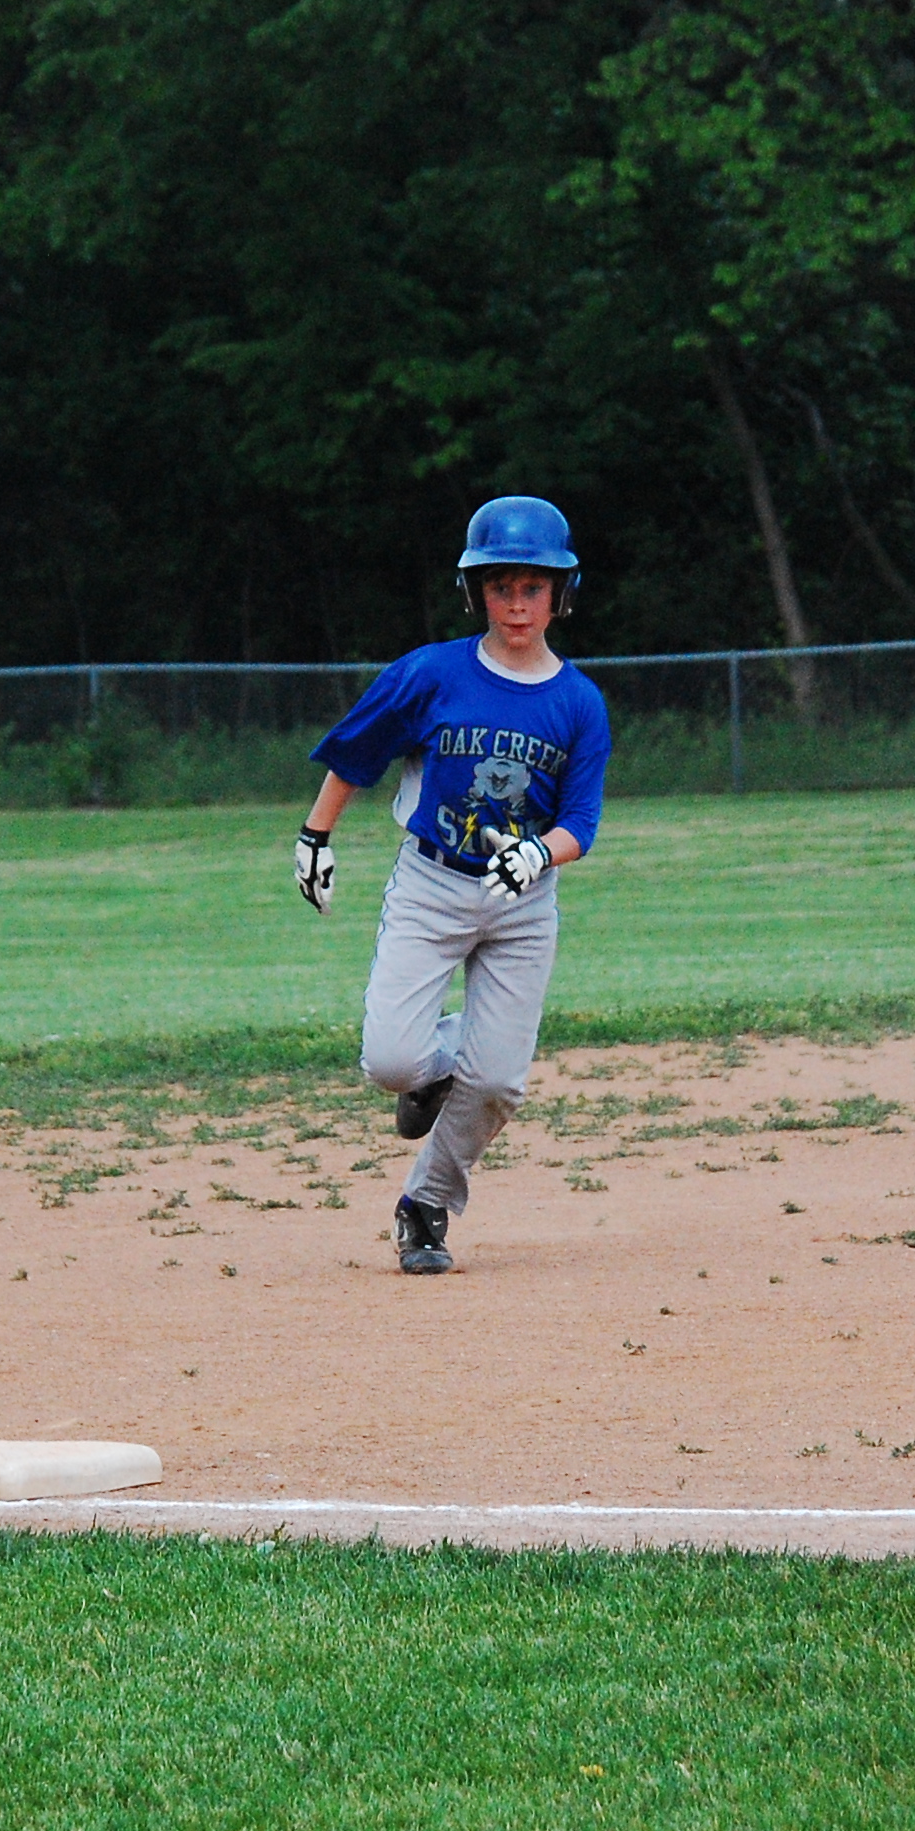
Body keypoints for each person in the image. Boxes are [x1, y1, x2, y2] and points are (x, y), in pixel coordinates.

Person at [292, 495, 613, 1274]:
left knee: (497, 1080)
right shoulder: (433, 674)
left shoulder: (578, 702)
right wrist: (315, 835)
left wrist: (539, 855)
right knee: (392, 1063)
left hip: (522, 905)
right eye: (501, 587)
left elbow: (581, 822)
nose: (517, 604)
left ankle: (426, 1205)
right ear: (475, 593)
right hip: (431, 886)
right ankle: (439, 1070)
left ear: (561, 594)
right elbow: (358, 753)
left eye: (533, 587)